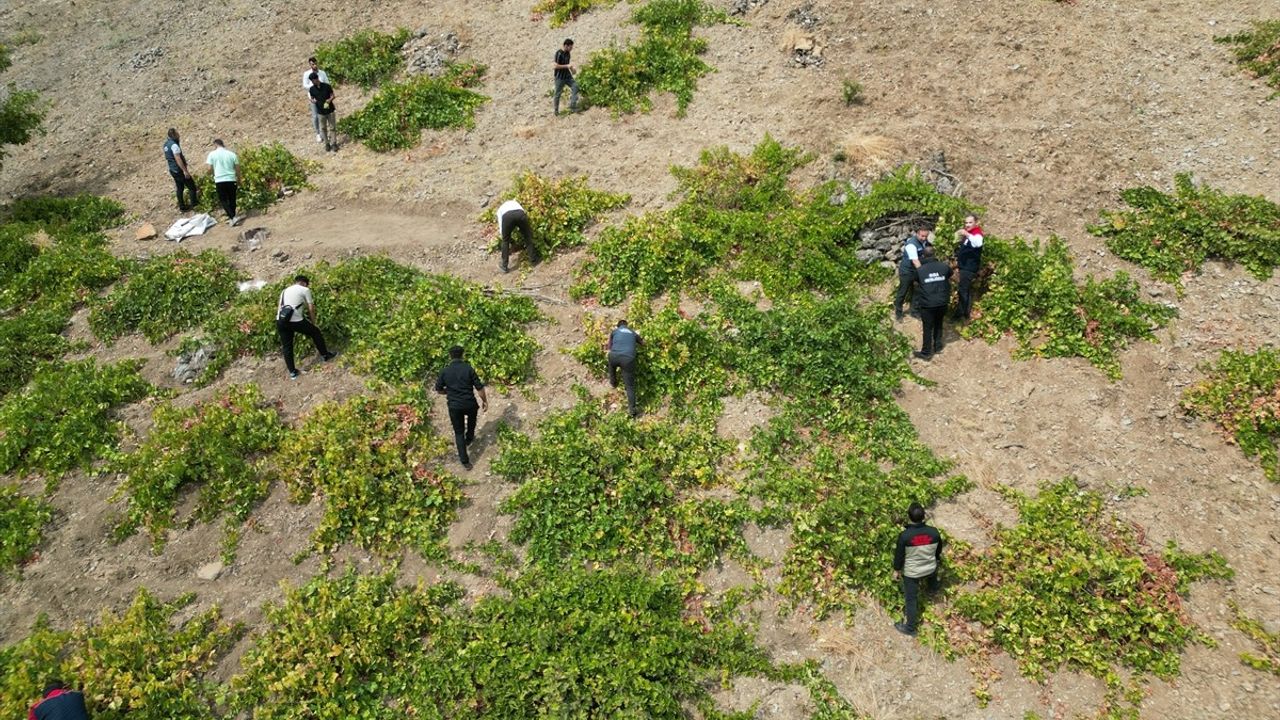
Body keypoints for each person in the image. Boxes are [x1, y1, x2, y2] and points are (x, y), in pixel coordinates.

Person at [892, 503, 944, 636]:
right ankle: (932, 588)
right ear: (924, 516)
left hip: (913, 574)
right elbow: (938, 552)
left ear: (909, 517)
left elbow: (899, 556)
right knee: (933, 571)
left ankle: (910, 628)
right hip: (930, 568)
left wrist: (896, 570)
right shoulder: (934, 532)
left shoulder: (905, 536)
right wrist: (936, 560)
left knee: (911, 599)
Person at [434, 345, 488, 470]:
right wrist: (485, 401)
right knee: (472, 421)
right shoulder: (468, 368)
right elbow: (479, 387)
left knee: (458, 432)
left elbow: (438, 389)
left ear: (450, 356)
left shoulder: (444, 371)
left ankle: (465, 462)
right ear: (462, 355)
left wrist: (450, 392)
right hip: (469, 403)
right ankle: (469, 438)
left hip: (454, 406)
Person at [276, 274, 336, 379]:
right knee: (315, 332)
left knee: (287, 346)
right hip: (295, 320)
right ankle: (325, 355)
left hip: (280, 320)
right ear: (304, 283)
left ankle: (293, 373)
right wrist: (313, 323)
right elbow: (311, 308)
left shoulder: (284, 291)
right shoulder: (305, 290)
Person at [913, 246, 953, 360]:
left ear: (924, 256)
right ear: (934, 254)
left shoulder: (920, 270)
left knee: (927, 327)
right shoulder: (944, 267)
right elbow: (950, 274)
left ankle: (926, 352)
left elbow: (915, 281)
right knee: (938, 323)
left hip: (927, 303)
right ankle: (938, 346)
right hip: (942, 302)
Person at [894, 226, 931, 321]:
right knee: (903, 291)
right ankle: (898, 312)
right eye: (922, 236)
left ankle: (914, 311)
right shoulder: (911, 245)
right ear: (917, 234)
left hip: (916, 271)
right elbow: (915, 261)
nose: (924, 238)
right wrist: (924, 273)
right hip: (907, 271)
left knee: (918, 291)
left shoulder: (924, 242)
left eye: (926, 236)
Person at [607, 319, 642, 418]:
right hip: (628, 359)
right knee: (630, 386)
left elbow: (609, 346)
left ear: (618, 326)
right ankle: (632, 411)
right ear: (626, 325)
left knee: (611, 363)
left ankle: (613, 382)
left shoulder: (614, 332)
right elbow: (643, 343)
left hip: (614, 356)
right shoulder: (632, 332)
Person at [952, 214, 984, 321]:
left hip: (969, 267)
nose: (967, 225)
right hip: (964, 266)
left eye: (970, 222)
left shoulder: (977, 234)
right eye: (966, 223)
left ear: (976, 223)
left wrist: (967, 234)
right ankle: (966, 313)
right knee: (966, 289)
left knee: (963, 290)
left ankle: (959, 314)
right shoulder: (970, 234)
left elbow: (978, 244)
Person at [495, 199, 540, 273]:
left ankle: (504, 266)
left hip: (507, 217)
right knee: (527, 237)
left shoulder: (500, 210)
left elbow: (502, 228)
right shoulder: (516, 203)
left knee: (505, 240)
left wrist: (508, 239)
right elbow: (523, 216)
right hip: (520, 214)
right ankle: (533, 260)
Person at [205, 139, 243, 226]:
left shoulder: (212, 154)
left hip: (220, 180)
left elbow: (209, 169)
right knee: (232, 199)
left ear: (215, 145)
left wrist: (208, 174)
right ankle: (232, 218)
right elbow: (237, 168)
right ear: (223, 144)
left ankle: (233, 217)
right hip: (231, 179)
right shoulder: (232, 154)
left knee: (223, 200)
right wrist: (239, 179)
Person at [163, 128, 199, 212]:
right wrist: (185, 171)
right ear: (174, 135)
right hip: (178, 170)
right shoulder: (174, 145)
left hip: (172, 170)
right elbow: (177, 158)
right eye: (177, 133)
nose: (179, 135)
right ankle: (195, 205)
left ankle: (182, 207)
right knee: (192, 187)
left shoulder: (166, 144)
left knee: (179, 188)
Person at [302, 57, 331, 143]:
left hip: (323, 97)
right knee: (315, 116)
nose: (314, 65)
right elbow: (305, 85)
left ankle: (325, 133)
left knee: (325, 115)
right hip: (314, 97)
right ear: (310, 65)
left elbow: (327, 83)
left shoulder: (322, 73)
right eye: (312, 64)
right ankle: (318, 133)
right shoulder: (307, 74)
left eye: (315, 63)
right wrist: (314, 87)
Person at [308, 72, 338, 152]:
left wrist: (329, 100)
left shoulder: (327, 86)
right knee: (323, 128)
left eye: (313, 80)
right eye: (311, 81)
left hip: (330, 110)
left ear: (317, 78)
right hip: (320, 112)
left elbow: (333, 95)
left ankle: (334, 143)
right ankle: (327, 144)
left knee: (332, 127)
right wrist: (312, 101)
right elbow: (312, 98)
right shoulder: (312, 89)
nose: (313, 82)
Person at [552, 38, 578, 116]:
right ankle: (556, 112)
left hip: (567, 76)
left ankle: (572, 107)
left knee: (575, 86)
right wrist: (567, 66)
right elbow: (555, 66)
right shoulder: (559, 53)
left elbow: (567, 65)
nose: (571, 49)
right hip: (559, 78)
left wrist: (572, 69)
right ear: (566, 46)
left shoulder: (568, 54)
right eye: (570, 47)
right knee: (557, 94)